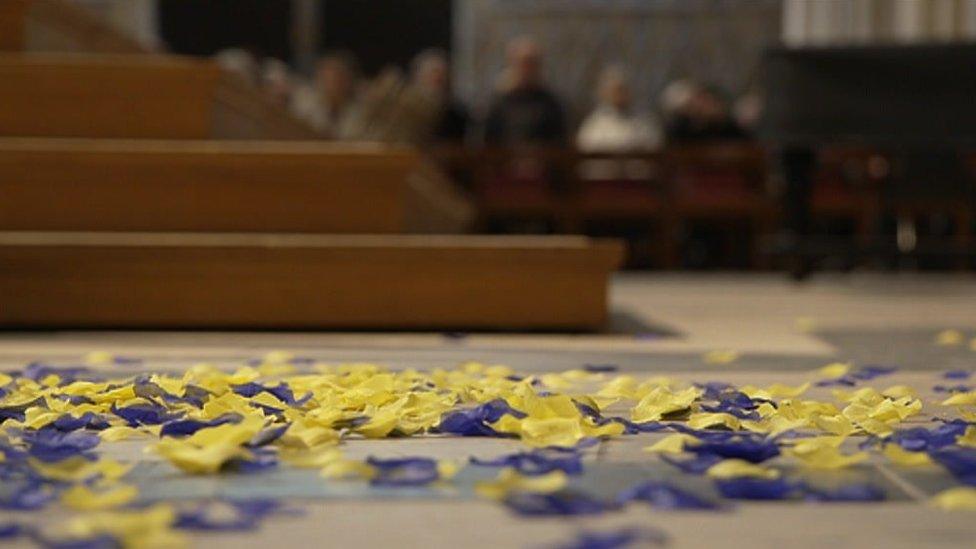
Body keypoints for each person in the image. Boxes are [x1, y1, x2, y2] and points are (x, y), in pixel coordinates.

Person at [483, 37, 566, 146]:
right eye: (523, 63)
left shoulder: (550, 104)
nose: (526, 68)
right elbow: (488, 140)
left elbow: (559, 140)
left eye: (532, 63)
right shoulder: (499, 103)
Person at [576, 66, 662, 152]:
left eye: (624, 90)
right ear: (605, 93)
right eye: (616, 91)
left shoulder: (644, 121)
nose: (620, 95)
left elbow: (654, 144)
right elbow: (586, 146)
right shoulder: (595, 124)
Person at [291, 51, 364, 139]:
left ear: (349, 80)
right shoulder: (303, 108)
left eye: (339, 79)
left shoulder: (360, 112)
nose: (333, 84)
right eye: (327, 78)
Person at [410, 49, 470, 144]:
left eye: (442, 75)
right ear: (418, 76)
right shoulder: (406, 109)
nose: (438, 78)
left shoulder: (456, 114)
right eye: (433, 73)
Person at [664, 82, 746, 144]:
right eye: (701, 101)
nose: (703, 106)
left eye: (709, 102)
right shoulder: (681, 126)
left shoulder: (729, 127)